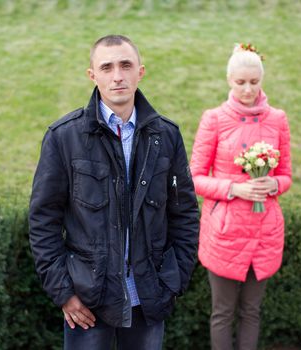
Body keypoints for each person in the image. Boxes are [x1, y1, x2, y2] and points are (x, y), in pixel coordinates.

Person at [29, 34, 199, 350]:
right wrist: (64, 293)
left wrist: (174, 281)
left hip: (149, 298)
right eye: (106, 67)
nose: (117, 75)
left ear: (141, 71)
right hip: (87, 302)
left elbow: (185, 214)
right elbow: (43, 221)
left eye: (125, 65)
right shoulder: (63, 138)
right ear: (92, 75)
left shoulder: (167, 135)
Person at [190, 43, 292, 350]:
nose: (247, 89)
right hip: (225, 233)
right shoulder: (214, 119)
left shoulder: (277, 119)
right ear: (229, 81)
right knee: (222, 312)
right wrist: (235, 189)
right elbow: (193, 178)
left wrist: (273, 186)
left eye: (253, 82)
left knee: (251, 311)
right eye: (240, 82)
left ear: (261, 80)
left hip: (264, 231)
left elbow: (286, 173)